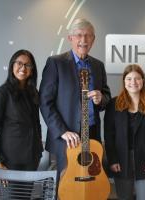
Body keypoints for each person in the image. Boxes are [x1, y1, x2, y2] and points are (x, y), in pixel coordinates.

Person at [39, 18, 111, 182]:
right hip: (66, 138)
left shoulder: (98, 66)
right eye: (79, 35)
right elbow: (45, 102)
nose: (83, 40)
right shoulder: (56, 63)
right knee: (66, 187)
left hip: (92, 135)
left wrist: (101, 99)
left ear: (93, 39)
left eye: (88, 36)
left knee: (90, 184)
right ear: (70, 38)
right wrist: (62, 131)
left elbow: (106, 95)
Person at [104, 64, 145, 200]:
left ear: (143, 80)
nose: (133, 82)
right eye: (129, 79)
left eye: (137, 78)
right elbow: (109, 135)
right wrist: (112, 160)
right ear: (124, 81)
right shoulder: (113, 105)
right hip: (121, 161)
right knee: (124, 197)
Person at [0, 49, 43, 170]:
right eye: (19, 63)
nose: (23, 68)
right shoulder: (1, 93)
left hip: (33, 158)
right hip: (9, 161)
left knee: (28, 190)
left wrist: (38, 150)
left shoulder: (33, 93)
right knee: (12, 190)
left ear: (32, 70)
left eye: (28, 65)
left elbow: (36, 123)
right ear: (12, 66)